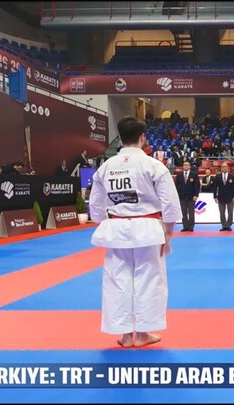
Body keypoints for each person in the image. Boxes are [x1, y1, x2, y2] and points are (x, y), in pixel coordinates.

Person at [88, 116, 182, 348]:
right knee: (149, 280)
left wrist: (104, 222)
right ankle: (142, 333)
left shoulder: (106, 167)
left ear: (119, 138)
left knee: (116, 280)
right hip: (148, 229)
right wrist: (168, 232)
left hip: (117, 229)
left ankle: (125, 334)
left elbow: (95, 206)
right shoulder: (153, 165)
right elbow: (170, 203)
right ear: (143, 138)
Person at [175, 161, 200, 232]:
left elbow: (197, 186)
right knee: (183, 213)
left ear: (189, 166)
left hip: (191, 196)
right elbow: (177, 186)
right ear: (183, 166)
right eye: (184, 165)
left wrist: (196, 195)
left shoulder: (194, 175)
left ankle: (191, 226)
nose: (186, 166)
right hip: (182, 196)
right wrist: (177, 195)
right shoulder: (179, 175)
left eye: (187, 165)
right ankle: (185, 226)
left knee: (191, 213)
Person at [214, 162, 234, 232]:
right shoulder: (218, 176)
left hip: (230, 197)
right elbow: (215, 187)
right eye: (222, 167)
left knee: (230, 212)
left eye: (225, 167)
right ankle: (224, 225)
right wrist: (215, 196)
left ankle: (229, 225)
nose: (224, 168)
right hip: (220, 197)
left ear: (228, 168)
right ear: (221, 168)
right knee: (222, 212)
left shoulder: (232, 176)